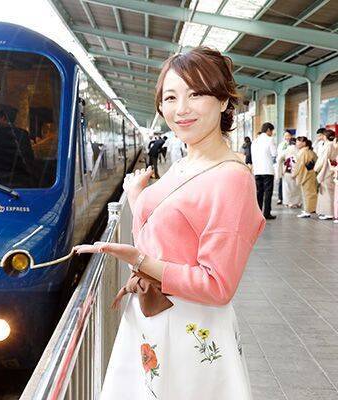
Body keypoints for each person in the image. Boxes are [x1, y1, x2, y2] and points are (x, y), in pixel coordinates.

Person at [74, 46, 265, 400]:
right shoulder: (183, 164)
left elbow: (218, 285)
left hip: (189, 331)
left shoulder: (231, 178)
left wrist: (140, 261)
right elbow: (163, 239)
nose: (182, 109)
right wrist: (137, 200)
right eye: (171, 97)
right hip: (154, 322)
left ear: (223, 101)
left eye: (196, 94)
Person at [0, 107, 35, 185]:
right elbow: (29, 155)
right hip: (21, 178)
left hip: (0, 178)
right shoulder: (23, 133)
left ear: (3, 118)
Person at [251, 122, 277, 219]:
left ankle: (257, 213)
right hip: (267, 170)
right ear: (268, 130)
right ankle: (266, 213)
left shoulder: (255, 141)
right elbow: (274, 153)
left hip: (257, 170)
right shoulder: (270, 139)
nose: (272, 133)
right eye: (272, 131)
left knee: (259, 192)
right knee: (268, 192)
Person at [314, 130, 338, 220]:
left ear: (325, 136)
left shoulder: (328, 145)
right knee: (330, 191)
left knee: (327, 192)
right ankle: (329, 212)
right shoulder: (334, 144)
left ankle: (329, 213)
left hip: (326, 170)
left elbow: (323, 159)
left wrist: (316, 168)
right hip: (333, 170)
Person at [293, 137, 318, 218]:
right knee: (309, 192)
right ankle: (309, 209)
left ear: (304, 143)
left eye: (298, 142)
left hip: (306, 174)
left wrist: (294, 174)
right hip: (310, 173)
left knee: (308, 193)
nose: (297, 143)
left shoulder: (304, 152)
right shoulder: (309, 151)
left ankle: (308, 211)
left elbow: (299, 165)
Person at [278, 137, 301, 208]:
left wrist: (280, 171)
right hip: (297, 171)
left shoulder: (286, 150)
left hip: (287, 171)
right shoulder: (299, 150)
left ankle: (288, 203)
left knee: (287, 188)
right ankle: (297, 203)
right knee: (297, 188)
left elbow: (279, 159)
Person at [275, 131, 292, 205]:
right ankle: (280, 198)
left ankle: (290, 199)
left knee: (290, 183)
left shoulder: (293, 144)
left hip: (291, 165)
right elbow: (279, 155)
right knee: (281, 182)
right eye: (285, 136)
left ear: (291, 136)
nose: (287, 137)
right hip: (282, 165)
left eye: (288, 135)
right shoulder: (281, 145)